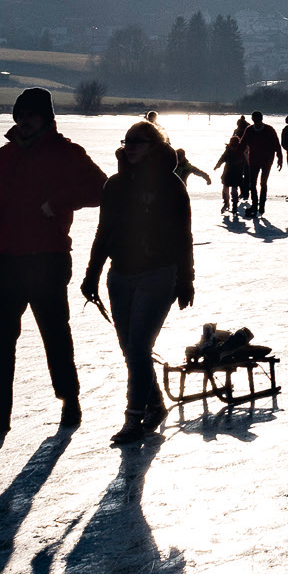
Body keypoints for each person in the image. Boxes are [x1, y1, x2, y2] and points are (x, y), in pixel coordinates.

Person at [0, 88, 107, 440]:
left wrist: (59, 203)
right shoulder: (4, 155)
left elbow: (102, 188)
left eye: (32, 114)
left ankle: (69, 399)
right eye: (20, 114)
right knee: (0, 341)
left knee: (55, 335)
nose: (24, 120)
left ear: (46, 117)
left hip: (47, 258)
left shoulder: (66, 153)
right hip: (3, 259)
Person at [81, 120, 193, 446]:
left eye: (138, 141)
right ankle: (156, 405)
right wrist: (92, 274)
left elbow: (183, 237)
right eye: (127, 141)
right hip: (120, 275)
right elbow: (104, 233)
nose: (130, 146)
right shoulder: (114, 185)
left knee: (139, 347)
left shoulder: (171, 186)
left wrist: (186, 280)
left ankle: (133, 418)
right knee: (130, 348)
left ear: (153, 146)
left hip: (158, 275)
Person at [243, 109, 283, 218]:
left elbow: (277, 145)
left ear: (261, 120)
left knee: (263, 183)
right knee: (253, 184)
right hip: (253, 161)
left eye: (258, 121)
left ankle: (261, 206)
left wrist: (280, 158)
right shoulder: (249, 130)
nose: (256, 123)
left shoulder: (269, 130)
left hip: (267, 161)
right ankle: (255, 206)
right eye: (255, 121)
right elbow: (242, 144)